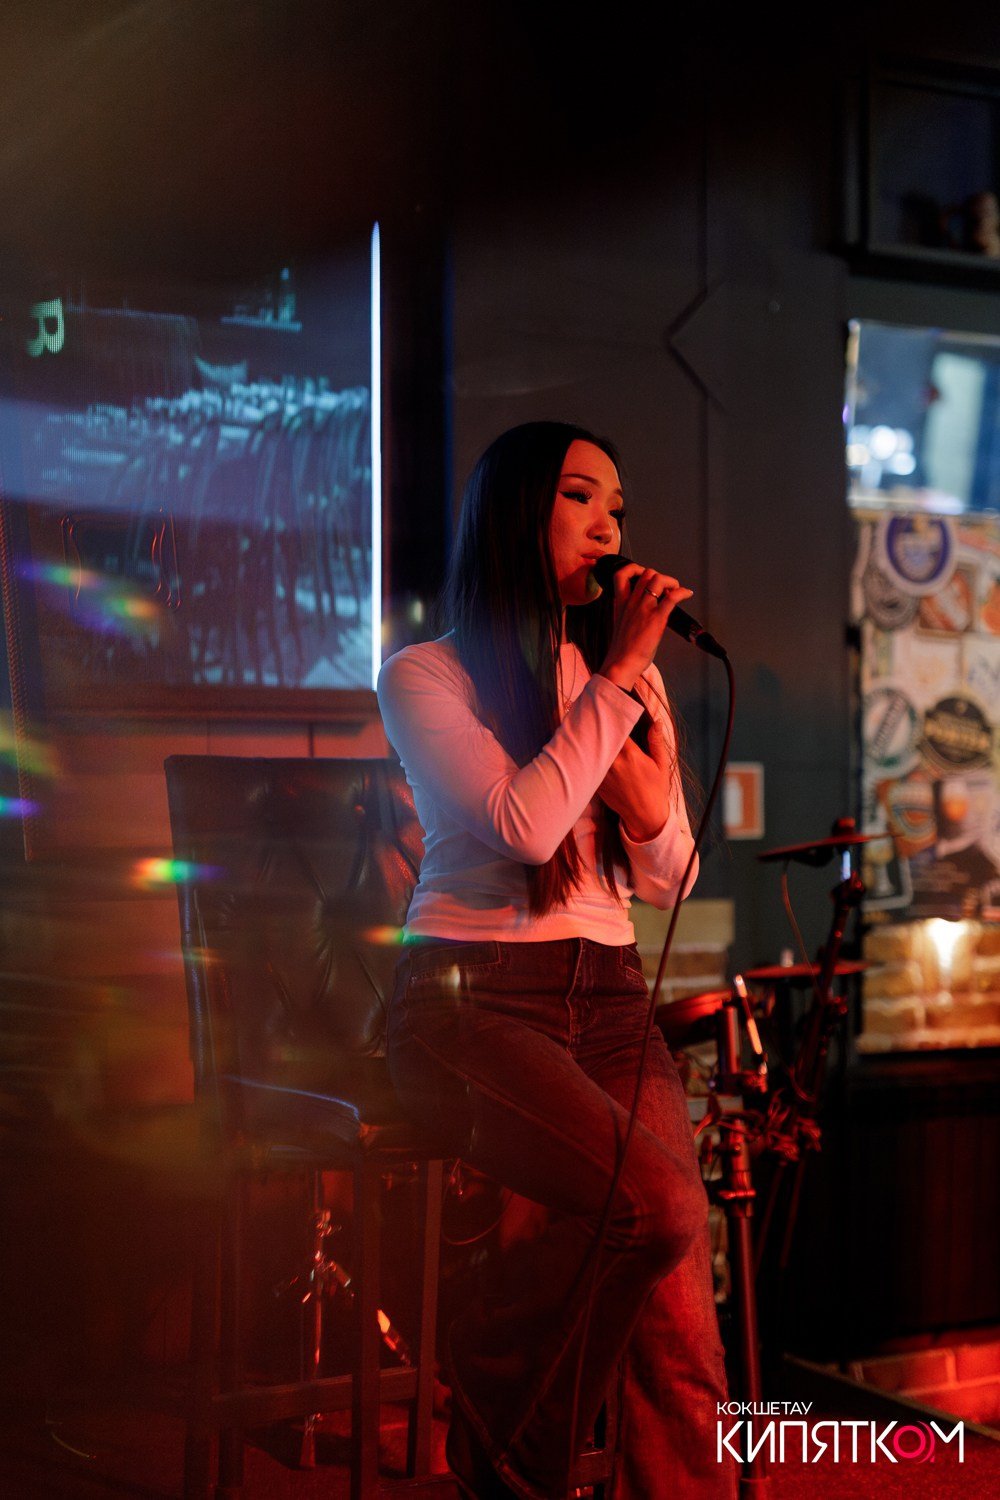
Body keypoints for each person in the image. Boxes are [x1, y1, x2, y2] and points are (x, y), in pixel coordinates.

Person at [377, 422, 734, 1500]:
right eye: (581, 497)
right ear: (514, 509)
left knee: (683, 1328)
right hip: (472, 996)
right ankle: (493, 1376)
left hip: (610, 995)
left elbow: (670, 877)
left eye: (617, 507)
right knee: (657, 1208)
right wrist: (617, 678)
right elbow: (525, 830)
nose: (608, 527)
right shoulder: (426, 674)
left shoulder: (623, 685)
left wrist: (647, 795)